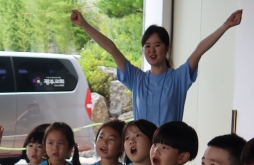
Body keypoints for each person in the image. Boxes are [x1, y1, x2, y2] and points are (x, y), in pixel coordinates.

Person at [70, 9, 243, 126]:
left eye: (157, 45)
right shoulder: (137, 79)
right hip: (141, 153)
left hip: (169, 154)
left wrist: (225, 26)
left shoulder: (178, 78)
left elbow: (199, 50)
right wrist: (84, 24)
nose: (151, 50)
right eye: (147, 46)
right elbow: (112, 48)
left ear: (167, 48)